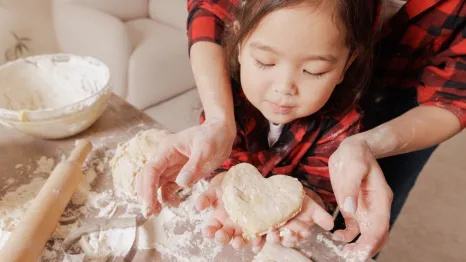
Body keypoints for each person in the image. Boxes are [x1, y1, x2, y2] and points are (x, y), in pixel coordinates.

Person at [139, 0, 466, 260]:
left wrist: (305, 200)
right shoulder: (234, 98)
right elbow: (227, 160)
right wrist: (223, 171)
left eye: (314, 70)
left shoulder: (342, 129)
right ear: (237, 45)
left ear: (344, 67)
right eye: (266, 62)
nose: (284, 89)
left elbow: (322, 190)